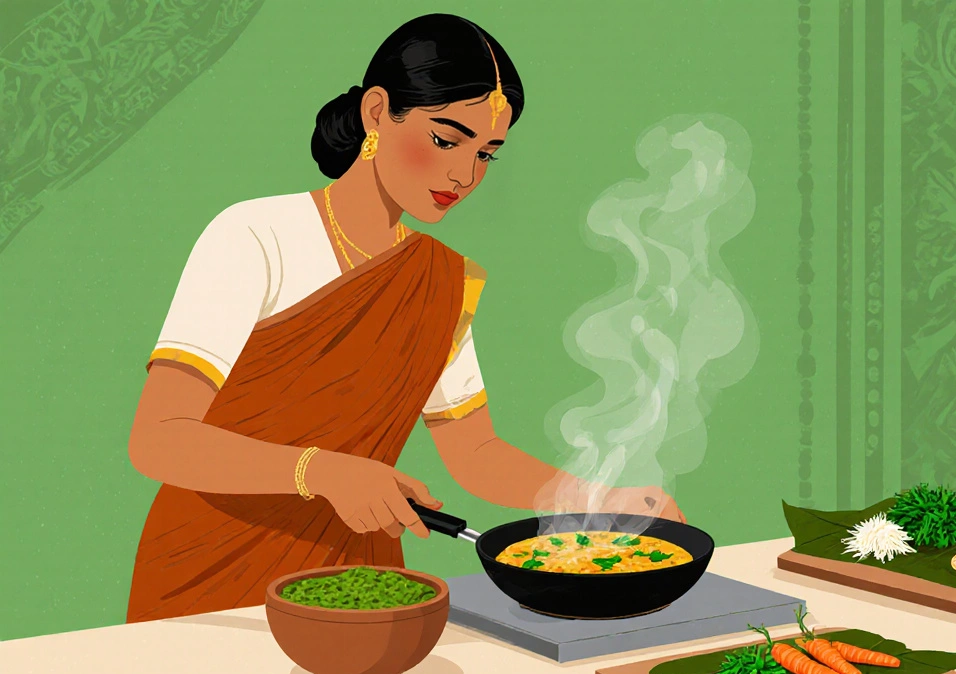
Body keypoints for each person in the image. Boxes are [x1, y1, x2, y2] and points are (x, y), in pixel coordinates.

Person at [125, 13, 684, 623]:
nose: (464, 175)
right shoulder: (255, 234)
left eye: (487, 154)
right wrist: (323, 472)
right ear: (375, 112)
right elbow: (159, 438)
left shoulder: (443, 279)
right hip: (209, 573)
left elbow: (475, 452)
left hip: (360, 574)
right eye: (447, 139)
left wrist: (603, 503)